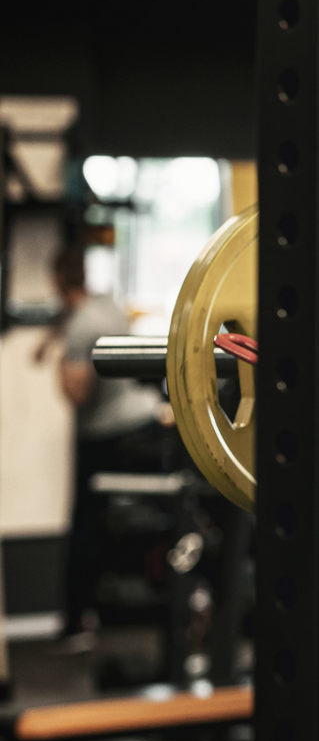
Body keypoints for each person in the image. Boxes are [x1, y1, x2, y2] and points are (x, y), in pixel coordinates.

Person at [35, 241, 167, 653]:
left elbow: (77, 394)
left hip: (104, 434)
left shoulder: (79, 327)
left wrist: (58, 361)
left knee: (84, 525)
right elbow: (75, 323)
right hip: (144, 421)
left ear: (57, 281)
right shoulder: (108, 307)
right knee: (152, 516)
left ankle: (76, 623)